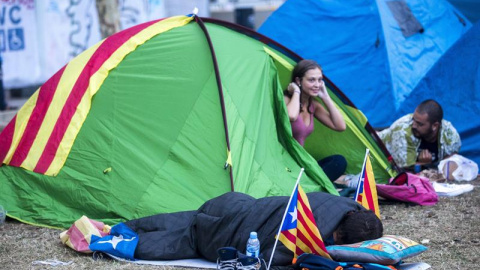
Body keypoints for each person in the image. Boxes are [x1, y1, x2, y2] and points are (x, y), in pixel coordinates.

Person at [115, 192, 383, 266]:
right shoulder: (312, 229)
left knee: (188, 219)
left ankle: (124, 227)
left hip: (234, 202)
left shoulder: (347, 204)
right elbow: (270, 257)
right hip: (226, 228)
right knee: (183, 237)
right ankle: (116, 239)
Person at [284, 60, 347, 182]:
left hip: (301, 163)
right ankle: (320, 184)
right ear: (298, 81)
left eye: (320, 80)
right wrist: (296, 92)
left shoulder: (313, 106)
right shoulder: (286, 100)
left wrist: (325, 96)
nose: (317, 84)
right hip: (285, 164)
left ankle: (313, 183)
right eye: (311, 80)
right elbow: (291, 116)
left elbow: (340, 126)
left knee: (338, 162)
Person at [378, 99, 461, 171]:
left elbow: (450, 165)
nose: (414, 125)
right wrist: (422, 164)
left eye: (420, 124)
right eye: (413, 120)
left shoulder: (450, 136)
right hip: (377, 153)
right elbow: (403, 172)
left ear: (435, 126)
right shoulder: (403, 131)